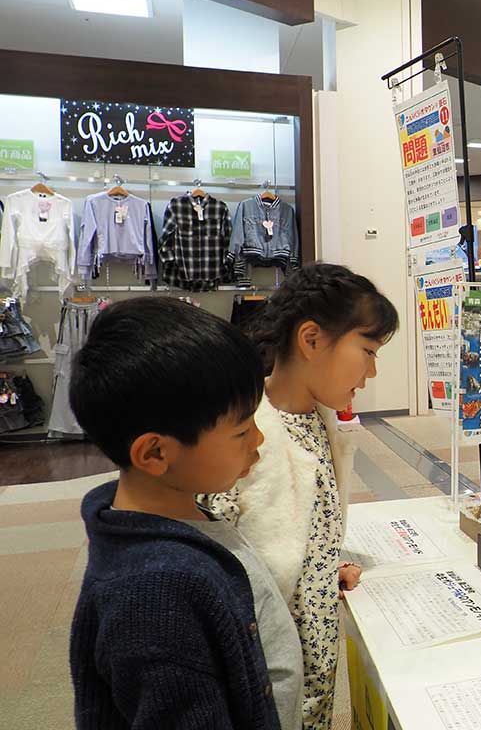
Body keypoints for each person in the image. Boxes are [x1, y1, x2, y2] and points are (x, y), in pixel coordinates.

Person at [69, 298, 303, 730]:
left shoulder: (179, 517)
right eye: (241, 430)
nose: (259, 439)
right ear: (156, 453)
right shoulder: (153, 596)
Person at [202, 263, 399, 730]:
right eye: (368, 351)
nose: (371, 372)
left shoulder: (321, 420)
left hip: (315, 655)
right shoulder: (244, 433)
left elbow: (302, 523)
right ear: (311, 339)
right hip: (265, 665)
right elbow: (217, 562)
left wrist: (324, 565)